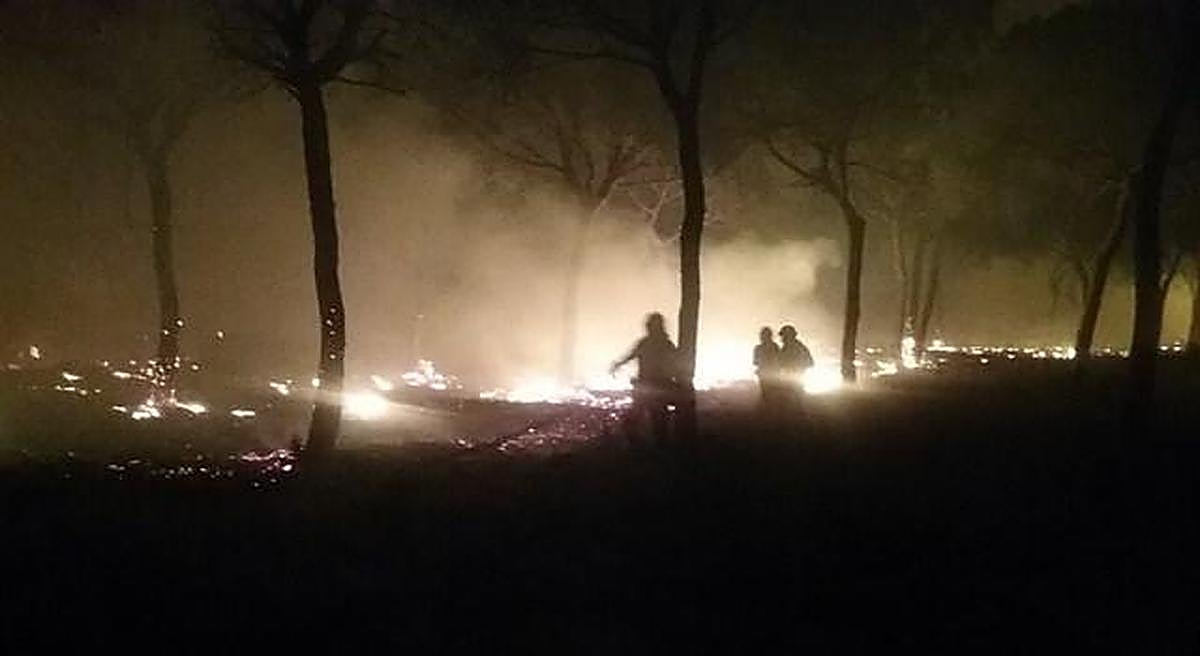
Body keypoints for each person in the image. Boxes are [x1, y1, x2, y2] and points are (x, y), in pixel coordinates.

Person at [611, 312, 679, 445]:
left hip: (652, 387)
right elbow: (676, 365)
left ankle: (650, 449)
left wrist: (617, 365)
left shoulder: (651, 344)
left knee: (653, 420)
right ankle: (654, 448)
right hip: (655, 387)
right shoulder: (665, 344)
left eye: (649, 325)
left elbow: (631, 356)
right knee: (656, 421)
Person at [777, 324, 814, 406]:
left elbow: (810, 362)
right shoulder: (787, 348)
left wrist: (797, 367)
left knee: (794, 400)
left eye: (784, 336)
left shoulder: (798, 348)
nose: (782, 338)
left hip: (794, 379)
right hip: (789, 379)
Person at [752, 326, 781, 408]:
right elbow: (780, 360)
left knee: (766, 393)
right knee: (772, 393)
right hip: (773, 374)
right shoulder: (775, 346)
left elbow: (755, 362)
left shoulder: (758, 348)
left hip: (764, 374)